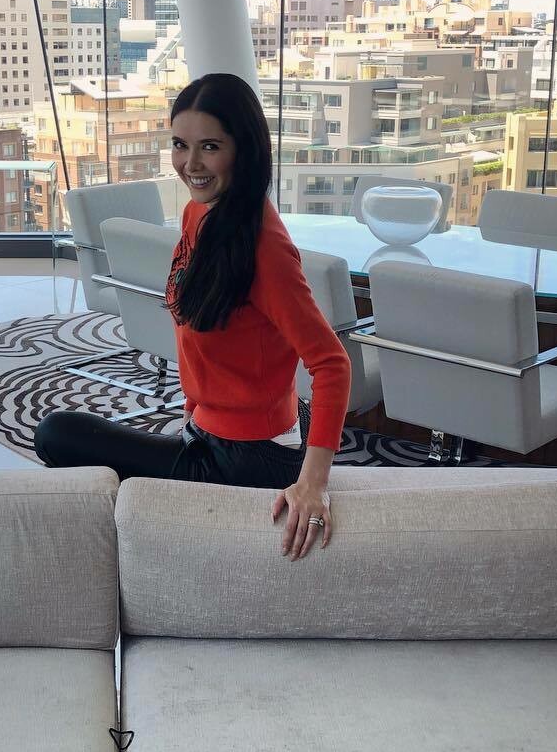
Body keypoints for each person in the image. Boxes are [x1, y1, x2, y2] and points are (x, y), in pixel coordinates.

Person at [35, 73, 352, 561]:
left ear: (243, 149)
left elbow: (331, 364)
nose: (191, 164)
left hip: (246, 457)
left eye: (210, 147)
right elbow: (198, 323)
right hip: (211, 429)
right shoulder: (199, 213)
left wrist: (313, 483)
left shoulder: (265, 248)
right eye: (180, 145)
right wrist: (194, 406)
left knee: (57, 434)